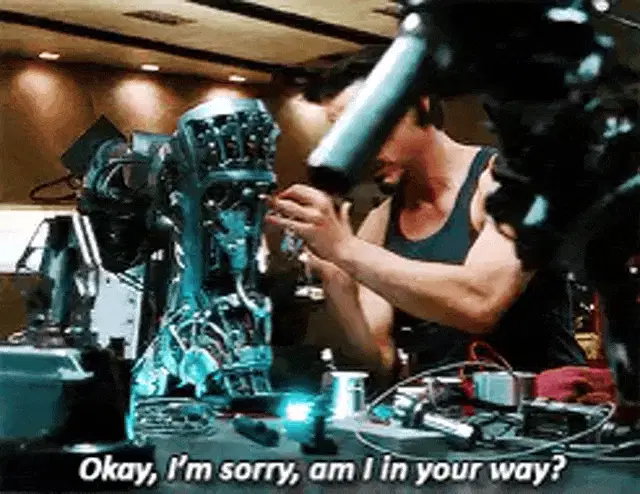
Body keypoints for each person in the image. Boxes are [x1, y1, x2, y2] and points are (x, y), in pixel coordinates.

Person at [266, 45, 586, 384]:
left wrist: (345, 249)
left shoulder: (510, 181)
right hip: (443, 410)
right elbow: (376, 362)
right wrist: (336, 278)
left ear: (420, 104)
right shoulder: (380, 221)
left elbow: (481, 302)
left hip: (544, 409)